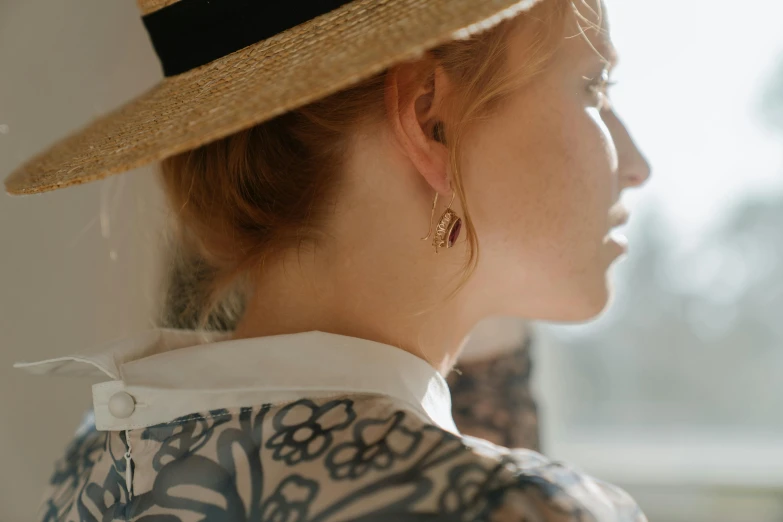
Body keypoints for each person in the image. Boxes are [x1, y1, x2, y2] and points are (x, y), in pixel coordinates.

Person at [6, 0, 651, 519]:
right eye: (593, 86)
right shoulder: (511, 507)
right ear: (432, 120)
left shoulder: (99, 463)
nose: (636, 166)